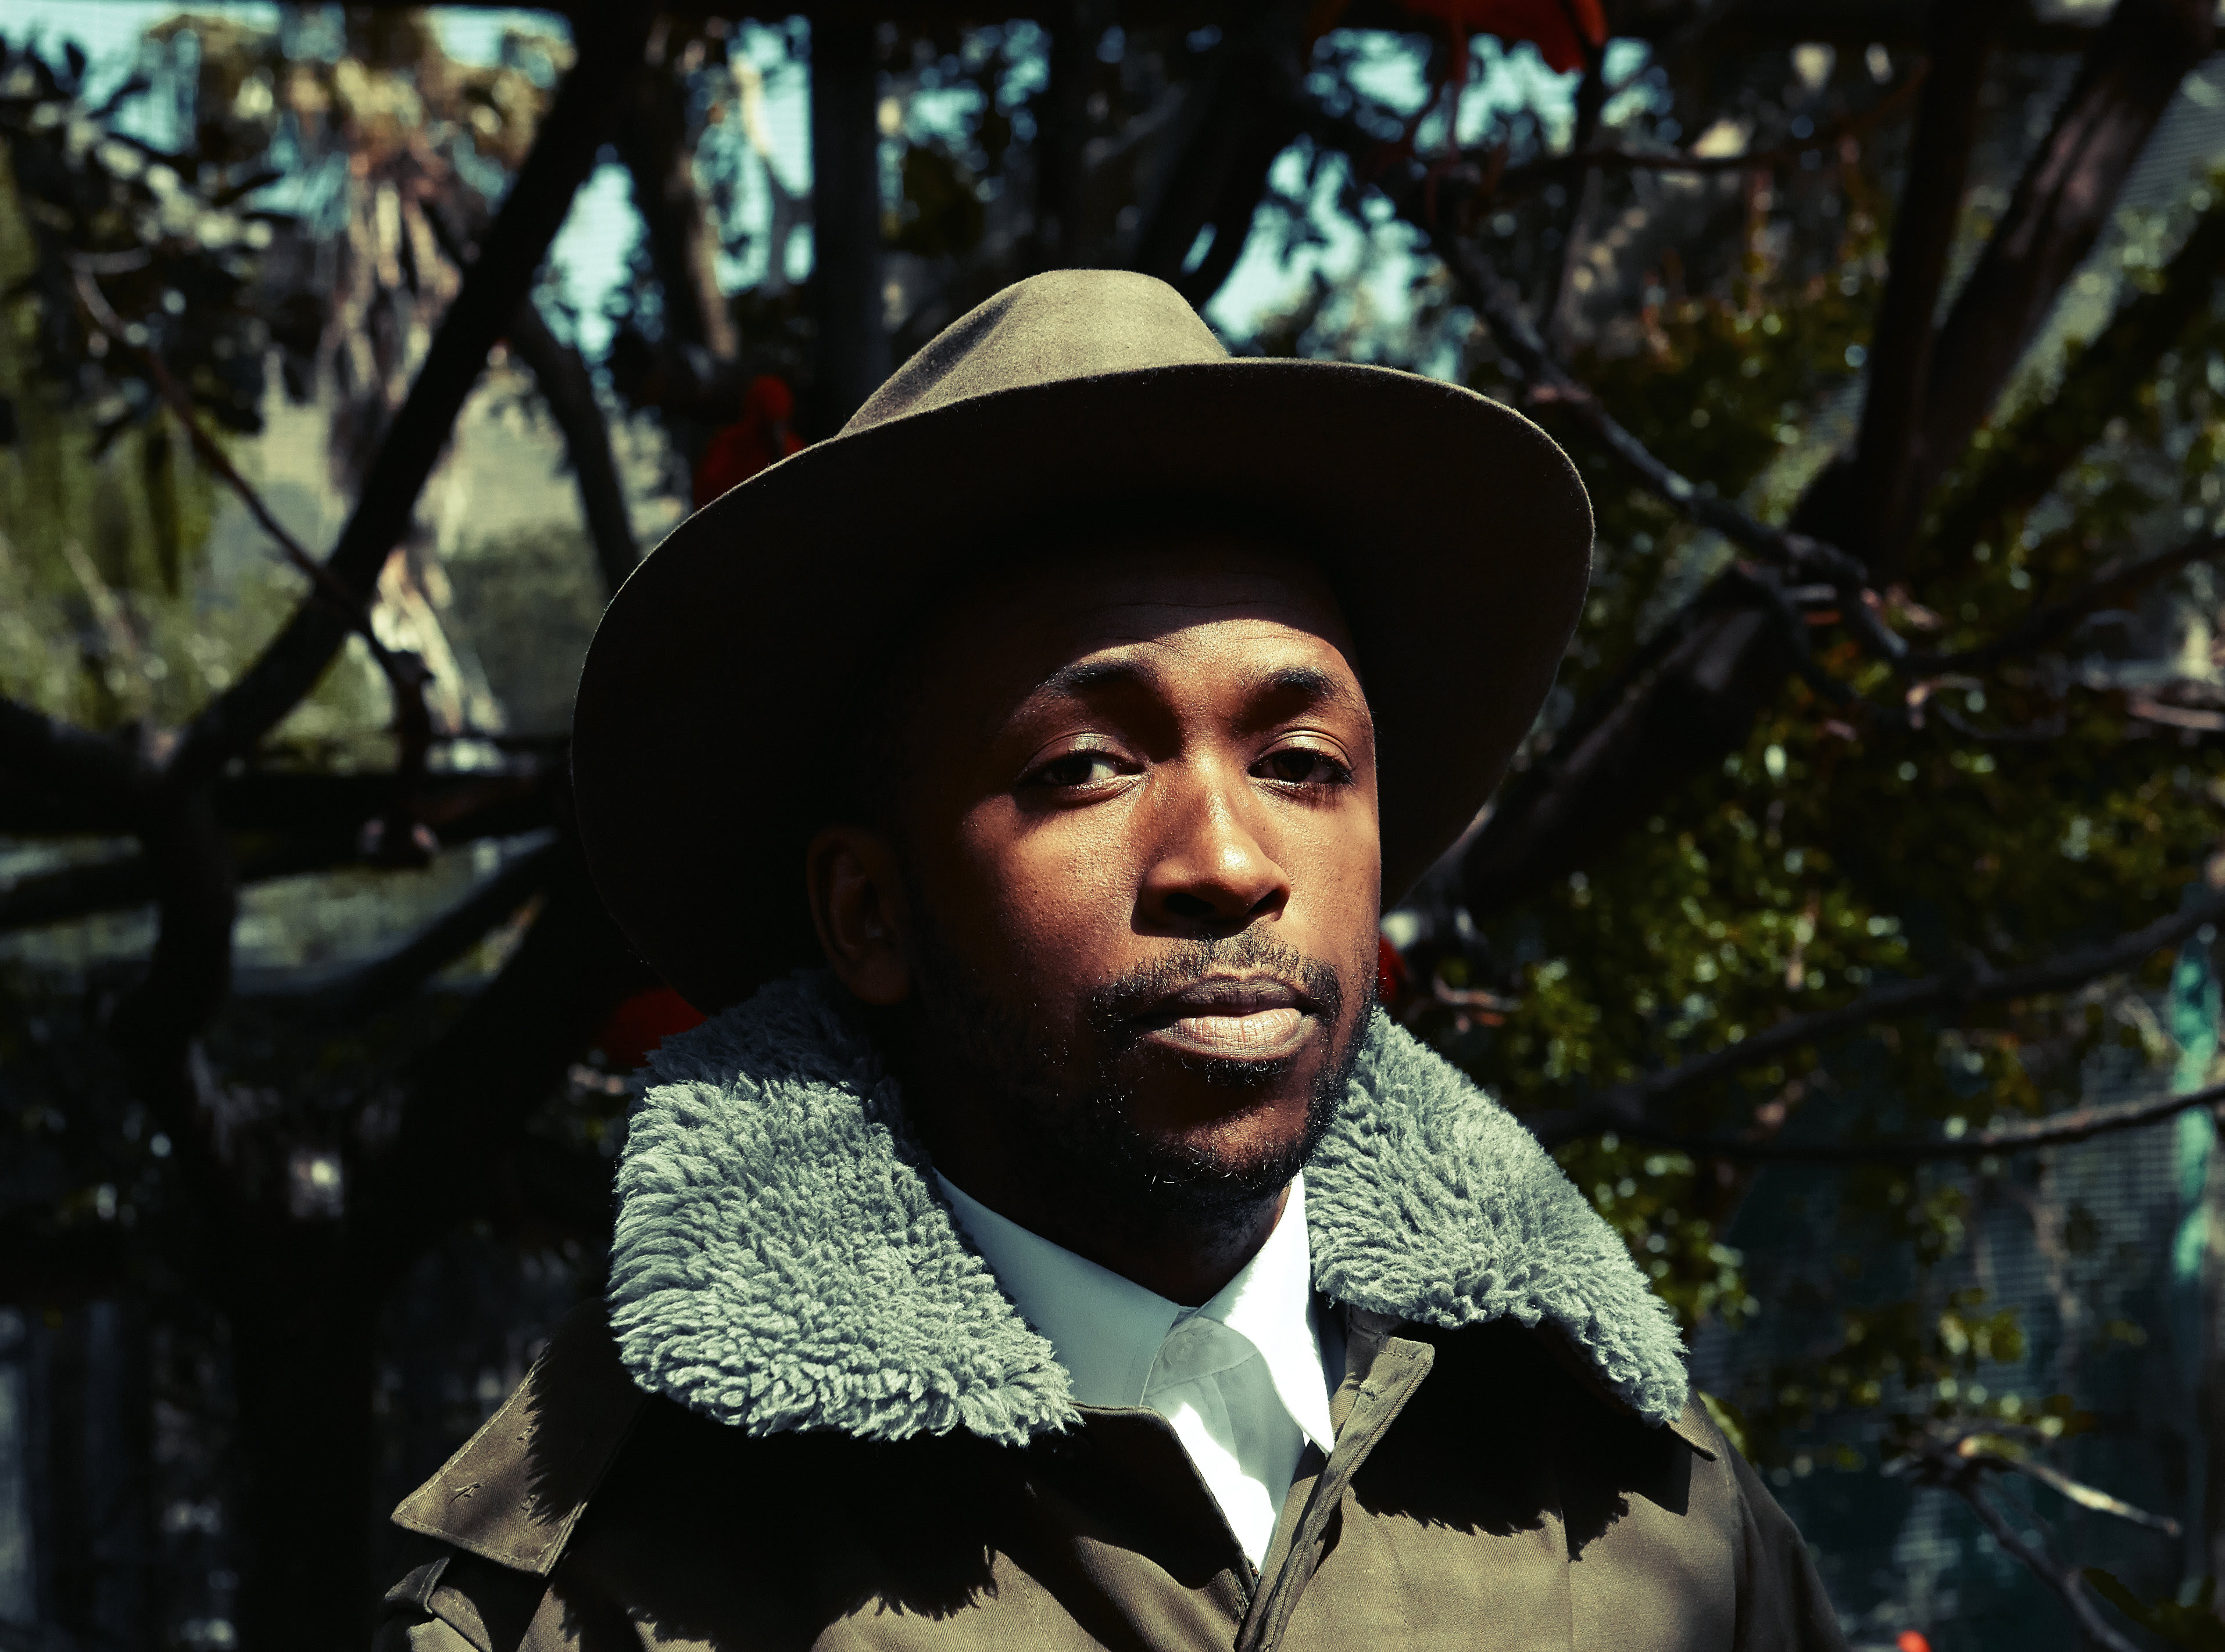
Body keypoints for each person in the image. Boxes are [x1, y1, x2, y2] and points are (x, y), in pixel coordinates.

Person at [374, 270, 1847, 1651]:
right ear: (870, 913)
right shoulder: (609, 1601)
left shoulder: (1650, 1513)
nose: (1231, 860)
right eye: (1084, 766)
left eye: (1301, 761)